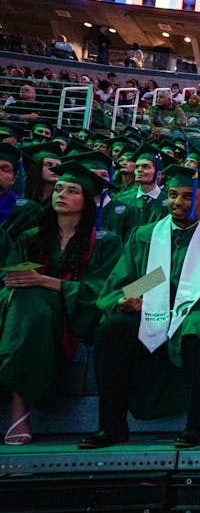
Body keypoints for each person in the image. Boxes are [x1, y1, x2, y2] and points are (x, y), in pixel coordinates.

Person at [78, 166, 200, 449]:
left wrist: (176, 302)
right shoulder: (147, 235)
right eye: (173, 195)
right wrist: (126, 299)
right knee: (112, 330)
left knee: (198, 329)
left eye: (188, 197)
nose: (178, 203)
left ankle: (197, 426)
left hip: (199, 309)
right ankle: (112, 426)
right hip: (151, 310)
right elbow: (133, 280)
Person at [0, 164, 121, 446]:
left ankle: (19, 405)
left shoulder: (105, 242)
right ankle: (20, 407)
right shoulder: (30, 236)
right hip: (24, 307)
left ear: (88, 200)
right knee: (27, 302)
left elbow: (100, 290)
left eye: (72, 190)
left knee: (33, 303)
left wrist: (43, 281)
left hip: (69, 313)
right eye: (58, 189)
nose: (61, 195)